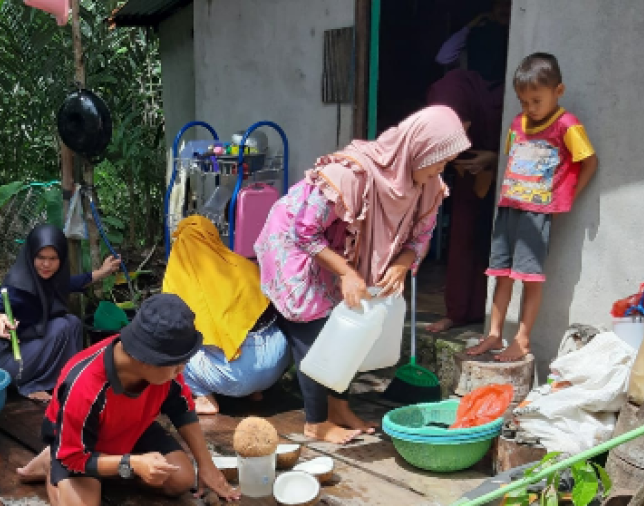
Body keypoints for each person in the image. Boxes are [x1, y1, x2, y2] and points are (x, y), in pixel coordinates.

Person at [255, 106, 471, 444]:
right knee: (315, 330)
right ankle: (316, 421)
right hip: (296, 246)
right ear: (419, 150)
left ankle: (338, 406)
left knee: (351, 324)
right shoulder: (351, 176)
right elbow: (304, 232)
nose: (443, 170)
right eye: (440, 160)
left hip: (343, 251)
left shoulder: (427, 185)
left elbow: (420, 237)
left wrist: (400, 264)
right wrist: (347, 273)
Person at [16, 293, 240, 506]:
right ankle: (50, 464)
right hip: (83, 445)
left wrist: (206, 465)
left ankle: (109, 474)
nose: (181, 369)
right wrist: (132, 464)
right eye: (177, 363)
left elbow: (181, 407)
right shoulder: (83, 386)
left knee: (181, 479)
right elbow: (74, 456)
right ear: (147, 360)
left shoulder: (164, 369)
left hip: (133, 426)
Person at [467, 53, 598, 363]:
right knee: (501, 273)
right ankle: (494, 333)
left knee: (530, 276)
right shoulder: (517, 123)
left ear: (559, 91)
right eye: (523, 101)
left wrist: (567, 198)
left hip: (537, 214)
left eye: (536, 100)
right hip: (509, 206)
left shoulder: (567, 125)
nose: (529, 108)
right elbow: (512, 161)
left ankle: (522, 339)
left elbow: (589, 162)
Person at [161, 215, 291, 416]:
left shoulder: (178, 281)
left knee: (174, 351)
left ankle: (205, 400)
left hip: (233, 377)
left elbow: (171, 331)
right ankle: (257, 393)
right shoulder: (246, 266)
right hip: (277, 362)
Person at [0, 224, 122, 401]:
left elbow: (70, 283)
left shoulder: (47, 279)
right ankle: (33, 385)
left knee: (72, 322)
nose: (46, 264)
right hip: (5, 365)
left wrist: (102, 272)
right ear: (31, 256)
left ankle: (67, 379)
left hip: (29, 351)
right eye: (41, 257)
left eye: (53, 258)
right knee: (61, 325)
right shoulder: (17, 285)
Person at [425, 67, 505, 332]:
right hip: (467, 176)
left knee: (494, 246)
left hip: (509, 179)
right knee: (463, 240)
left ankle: (488, 317)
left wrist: (494, 158)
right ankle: (458, 311)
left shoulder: (498, 97)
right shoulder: (448, 93)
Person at [435, 0, 512, 85]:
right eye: (498, 4)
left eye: (507, 4)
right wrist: (471, 25)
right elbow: (443, 57)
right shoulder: (478, 36)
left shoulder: (521, 40)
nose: (503, 8)